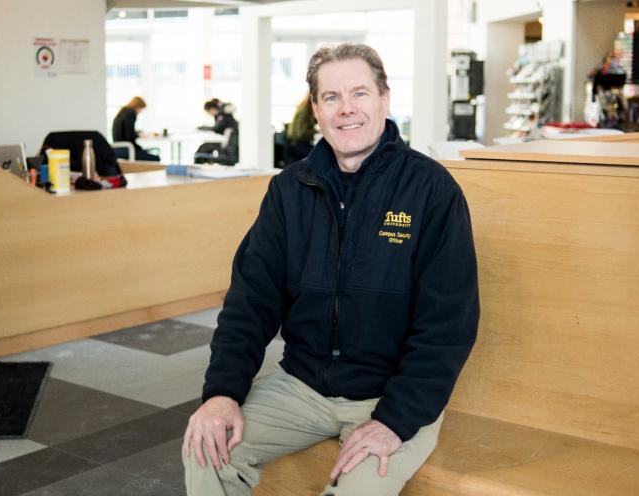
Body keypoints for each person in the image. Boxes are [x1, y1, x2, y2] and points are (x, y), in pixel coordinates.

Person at [182, 43, 480, 496]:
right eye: (331, 97)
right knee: (206, 450)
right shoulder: (289, 190)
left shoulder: (432, 191)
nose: (347, 110)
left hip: (391, 395)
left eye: (359, 94)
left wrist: (394, 421)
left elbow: (447, 327)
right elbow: (250, 301)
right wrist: (222, 392)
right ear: (316, 110)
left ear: (384, 98)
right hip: (300, 387)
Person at [111, 96, 160, 162]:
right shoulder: (131, 113)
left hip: (118, 148)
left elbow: (126, 132)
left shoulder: (123, 112)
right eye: (141, 109)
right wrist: (139, 135)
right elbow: (130, 136)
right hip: (126, 148)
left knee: (146, 152)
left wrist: (137, 133)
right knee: (155, 159)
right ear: (138, 106)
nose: (140, 111)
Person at [195, 98, 239, 163]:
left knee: (206, 147)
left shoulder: (223, 113)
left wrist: (203, 127)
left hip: (229, 140)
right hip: (224, 139)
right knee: (204, 147)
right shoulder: (219, 115)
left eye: (208, 112)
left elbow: (216, 128)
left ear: (211, 109)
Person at [284, 92, 317, 165]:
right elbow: (301, 133)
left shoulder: (302, 109)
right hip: (298, 145)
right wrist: (316, 131)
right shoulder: (305, 111)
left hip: (293, 145)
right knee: (320, 155)